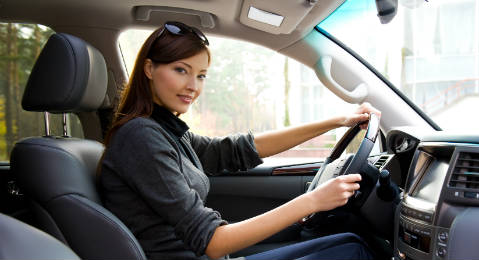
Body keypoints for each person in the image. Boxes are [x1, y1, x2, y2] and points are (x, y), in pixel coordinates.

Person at [99, 21, 381, 260]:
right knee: (352, 248)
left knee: (341, 237)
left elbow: (236, 150)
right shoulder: (140, 137)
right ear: (149, 69)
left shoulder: (165, 130)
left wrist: (339, 120)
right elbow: (212, 242)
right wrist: (312, 201)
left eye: (201, 76)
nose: (193, 87)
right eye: (181, 70)